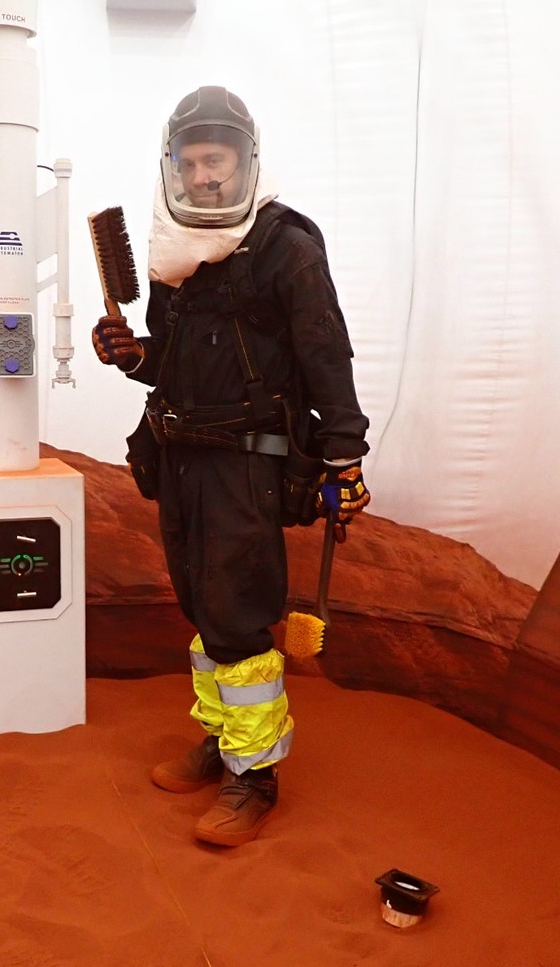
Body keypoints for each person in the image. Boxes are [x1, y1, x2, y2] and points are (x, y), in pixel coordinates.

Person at [91, 85, 372, 846]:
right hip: (180, 459)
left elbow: (326, 355)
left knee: (239, 616)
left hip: (249, 467)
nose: (203, 176)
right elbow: (177, 363)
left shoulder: (287, 247)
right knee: (201, 607)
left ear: (245, 161)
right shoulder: (169, 252)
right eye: (189, 163)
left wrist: (345, 458)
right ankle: (224, 744)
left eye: (215, 159)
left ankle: (255, 779)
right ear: (171, 170)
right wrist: (137, 357)